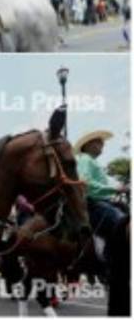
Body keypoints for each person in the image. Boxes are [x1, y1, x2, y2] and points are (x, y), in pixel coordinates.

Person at [75, 128, 130, 307]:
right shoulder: (84, 159)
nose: (102, 146)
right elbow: (86, 184)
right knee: (120, 224)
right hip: (94, 204)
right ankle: (108, 261)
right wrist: (115, 189)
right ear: (89, 145)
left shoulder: (92, 161)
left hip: (104, 202)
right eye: (99, 143)